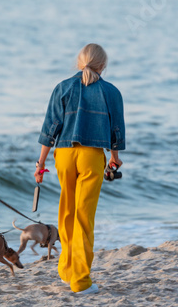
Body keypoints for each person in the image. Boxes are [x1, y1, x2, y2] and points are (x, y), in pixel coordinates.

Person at [34, 43, 125, 294]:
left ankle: (66, 272)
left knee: (66, 213)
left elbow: (49, 128)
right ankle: (81, 281)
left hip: (63, 155)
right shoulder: (111, 91)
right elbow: (116, 130)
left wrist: (41, 164)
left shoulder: (62, 87)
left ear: (79, 62)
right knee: (84, 218)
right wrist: (114, 157)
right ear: (103, 65)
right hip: (91, 156)